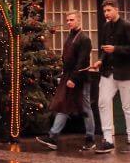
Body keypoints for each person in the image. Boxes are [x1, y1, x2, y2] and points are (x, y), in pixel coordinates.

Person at [36, 11, 95, 151]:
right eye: (67, 20)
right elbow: (67, 59)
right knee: (63, 105)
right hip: (68, 76)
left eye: (72, 20)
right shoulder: (70, 37)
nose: (69, 22)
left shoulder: (84, 39)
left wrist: (73, 78)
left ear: (79, 20)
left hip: (80, 78)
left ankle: (90, 138)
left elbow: (82, 61)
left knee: (85, 107)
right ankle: (53, 136)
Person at [90, 0, 130, 154]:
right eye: (104, 11)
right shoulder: (105, 27)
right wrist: (99, 61)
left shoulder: (127, 26)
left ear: (117, 9)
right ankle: (108, 139)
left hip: (125, 72)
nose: (106, 13)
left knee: (127, 106)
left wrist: (116, 49)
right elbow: (104, 49)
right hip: (108, 71)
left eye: (109, 10)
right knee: (103, 102)